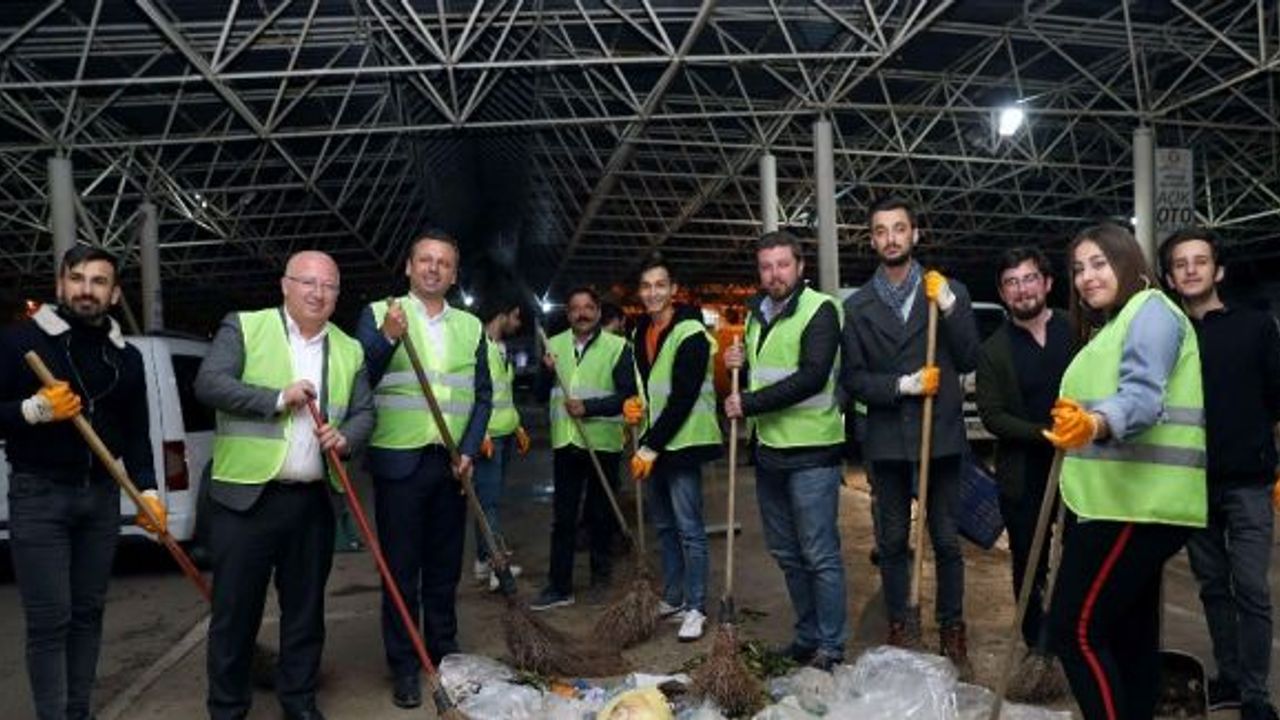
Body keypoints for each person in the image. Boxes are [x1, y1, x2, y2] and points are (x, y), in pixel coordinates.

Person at [195, 250, 374, 720]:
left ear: (338, 294)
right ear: (285, 285)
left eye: (329, 286)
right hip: (245, 501)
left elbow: (364, 412)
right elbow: (209, 383)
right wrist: (277, 398)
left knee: (305, 614)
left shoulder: (349, 348)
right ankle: (228, 709)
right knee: (236, 614)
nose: (318, 293)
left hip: (312, 502)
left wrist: (346, 437)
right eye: (308, 282)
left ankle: (299, 703)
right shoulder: (246, 326)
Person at [1045, 223, 1207, 720]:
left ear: (1127, 261)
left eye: (1098, 263)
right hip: (1116, 500)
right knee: (1129, 636)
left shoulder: (1152, 312)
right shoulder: (1115, 324)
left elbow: (1142, 398)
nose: (1087, 277)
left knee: (1074, 630)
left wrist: (1093, 423)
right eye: (1078, 268)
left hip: (1139, 505)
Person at [0, 245, 164, 720]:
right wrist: (32, 411)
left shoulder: (126, 358)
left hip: (100, 499)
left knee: (88, 614)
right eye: (77, 278)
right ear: (60, 285)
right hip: (39, 495)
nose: (85, 289)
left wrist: (149, 492)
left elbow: (136, 434)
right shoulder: (18, 343)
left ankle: (79, 712)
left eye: (98, 281)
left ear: (113, 295)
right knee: (51, 621)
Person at [354, 231, 491, 709]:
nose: (434, 268)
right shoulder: (379, 314)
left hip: (451, 464)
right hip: (399, 463)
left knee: (443, 569)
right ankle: (406, 665)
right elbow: (358, 379)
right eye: (425, 260)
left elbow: (483, 395)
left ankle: (445, 656)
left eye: (444, 263)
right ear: (409, 267)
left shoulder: (471, 327)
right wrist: (388, 339)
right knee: (400, 570)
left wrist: (470, 448)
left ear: (454, 275)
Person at [841, 196, 979, 672]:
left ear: (915, 234)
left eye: (899, 229)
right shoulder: (858, 306)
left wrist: (951, 305)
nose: (891, 238)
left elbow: (969, 354)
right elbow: (853, 378)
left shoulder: (945, 291)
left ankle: (952, 626)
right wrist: (902, 385)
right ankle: (901, 621)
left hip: (938, 437)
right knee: (894, 541)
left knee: (945, 540)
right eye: (881, 231)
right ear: (873, 239)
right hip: (887, 441)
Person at [1160, 228, 1279, 720]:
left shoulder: (1255, 327)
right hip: (1191, 482)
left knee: (1251, 587)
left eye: (1200, 261)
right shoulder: (1168, 336)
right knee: (1212, 586)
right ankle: (1228, 676)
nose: (1191, 269)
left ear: (1218, 271)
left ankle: (1255, 694)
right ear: (1169, 278)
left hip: (1247, 483)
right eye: (1181, 264)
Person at [724, 231, 847, 671]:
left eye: (782, 264)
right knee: (787, 553)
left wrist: (749, 403)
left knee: (819, 554)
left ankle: (831, 646)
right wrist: (738, 365)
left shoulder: (821, 311)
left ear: (800, 267)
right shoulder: (757, 312)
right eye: (766, 266)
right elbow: (763, 372)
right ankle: (807, 636)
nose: (774, 274)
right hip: (770, 450)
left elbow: (813, 376)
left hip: (813, 450)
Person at [975, 248, 1073, 662]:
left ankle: (1074, 635)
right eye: (1012, 282)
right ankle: (1038, 644)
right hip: (1025, 475)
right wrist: (1045, 434)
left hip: (1083, 468)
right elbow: (993, 416)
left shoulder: (1077, 329)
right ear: (1002, 293)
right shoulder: (994, 350)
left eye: (1030, 278)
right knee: (1029, 562)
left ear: (1048, 283)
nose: (1022, 289)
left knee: (1079, 556)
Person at [627, 255, 722, 642]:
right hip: (657, 442)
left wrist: (649, 447)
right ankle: (675, 596)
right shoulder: (639, 333)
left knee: (689, 530)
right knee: (664, 526)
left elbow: (682, 397)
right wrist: (632, 405)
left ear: (673, 290)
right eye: (646, 286)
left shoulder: (691, 333)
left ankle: (696, 606)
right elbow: (650, 388)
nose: (653, 293)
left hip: (684, 442)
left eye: (659, 285)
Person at [531, 287, 636, 610]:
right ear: (568, 314)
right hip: (566, 443)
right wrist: (545, 371)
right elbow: (538, 395)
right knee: (563, 518)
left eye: (588, 307)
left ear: (598, 312)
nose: (582, 313)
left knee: (599, 514)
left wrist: (588, 408)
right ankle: (559, 586)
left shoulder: (618, 347)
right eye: (575, 308)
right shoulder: (554, 345)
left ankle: (600, 578)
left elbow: (627, 395)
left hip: (602, 442)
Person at [472, 294, 532, 591]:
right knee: (490, 502)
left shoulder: (500, 348)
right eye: (516, 316)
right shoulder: (476, 346)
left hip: (505, 434)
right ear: (504, 314)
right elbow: (470, 393)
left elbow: (502, 393)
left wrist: (517, 424)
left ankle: (483, 562)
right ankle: (498, 568)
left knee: (485, 501)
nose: (518, 323)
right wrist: (477, 433)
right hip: (488, 438)